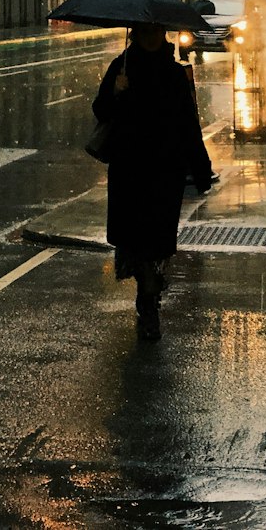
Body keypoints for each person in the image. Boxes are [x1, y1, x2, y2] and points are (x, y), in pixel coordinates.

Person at [92, 22, 213, 342]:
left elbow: (189, 124)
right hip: (130, 168)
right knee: (137, 239)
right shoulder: (122, 66)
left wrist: (201, 168)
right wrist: (114, 91)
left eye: (154, 33)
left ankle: (149, 295)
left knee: (157, 239)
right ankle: (149, 295)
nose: (149, 38)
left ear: (162, 35)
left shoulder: (173, 74)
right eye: (144, 33)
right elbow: (100, 110)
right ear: (135, 35)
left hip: (164, 170)